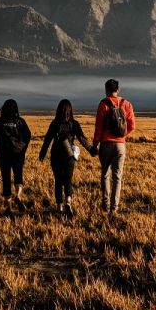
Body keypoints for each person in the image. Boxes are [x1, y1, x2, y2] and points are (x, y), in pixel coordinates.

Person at [38, 99, 94, 218]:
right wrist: (91, 150)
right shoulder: (74, 124)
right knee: (68, 180)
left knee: (58, 180)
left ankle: (59, 207)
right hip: (69, 155)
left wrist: (42, 154)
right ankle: (68, 201)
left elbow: (47, 140)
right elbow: (82, 139)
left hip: (56, 155)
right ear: (70, 110)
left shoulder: (54, 123)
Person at [91, 78, 136, 215]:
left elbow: (98, 127)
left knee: (105, 174)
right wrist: (122, 136)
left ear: (106, 90)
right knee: (117, 177)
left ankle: (105, 203)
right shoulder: (126, 104)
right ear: (118, 90)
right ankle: (113, 208)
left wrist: (95, 144)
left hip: (106, 144)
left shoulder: (103, 104)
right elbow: (132, 126)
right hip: (120, 145)